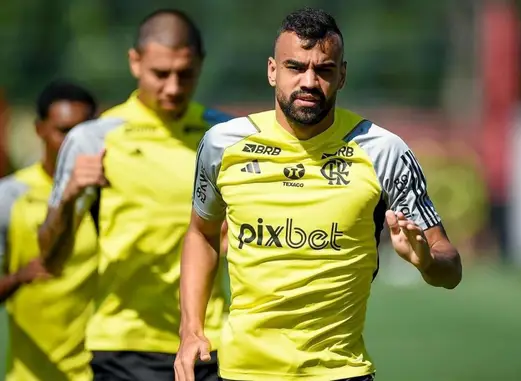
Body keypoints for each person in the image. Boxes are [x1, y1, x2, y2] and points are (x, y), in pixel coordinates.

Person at [175, 7, 463, 381]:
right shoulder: (222, 144)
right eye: (295, 67)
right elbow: (201, 232)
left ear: (341, 75)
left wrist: (425, 260)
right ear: (272, 70)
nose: (309, 81)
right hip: (242, 372)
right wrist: (191, 328)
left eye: (324, 70)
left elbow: (450, 268)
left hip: (341, 373)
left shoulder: (383, 150)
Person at [39, 9, 231, 381]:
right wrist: (67, 199)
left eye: (185, 74)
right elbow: (50, 257)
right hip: (124, 344)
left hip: (209, 341)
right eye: (161, 74)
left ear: (200, 65)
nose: (173, 87)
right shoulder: (93, 138)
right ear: (135, 61)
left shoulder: (223, 134)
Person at [0, 80, 98, 381]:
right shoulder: (10, 196)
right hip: (31, 375)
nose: (74, 143)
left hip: (103, 371)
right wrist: (18, 277)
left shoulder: (112, 196)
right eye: (64, 131)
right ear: (39, 129)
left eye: (83, 132)